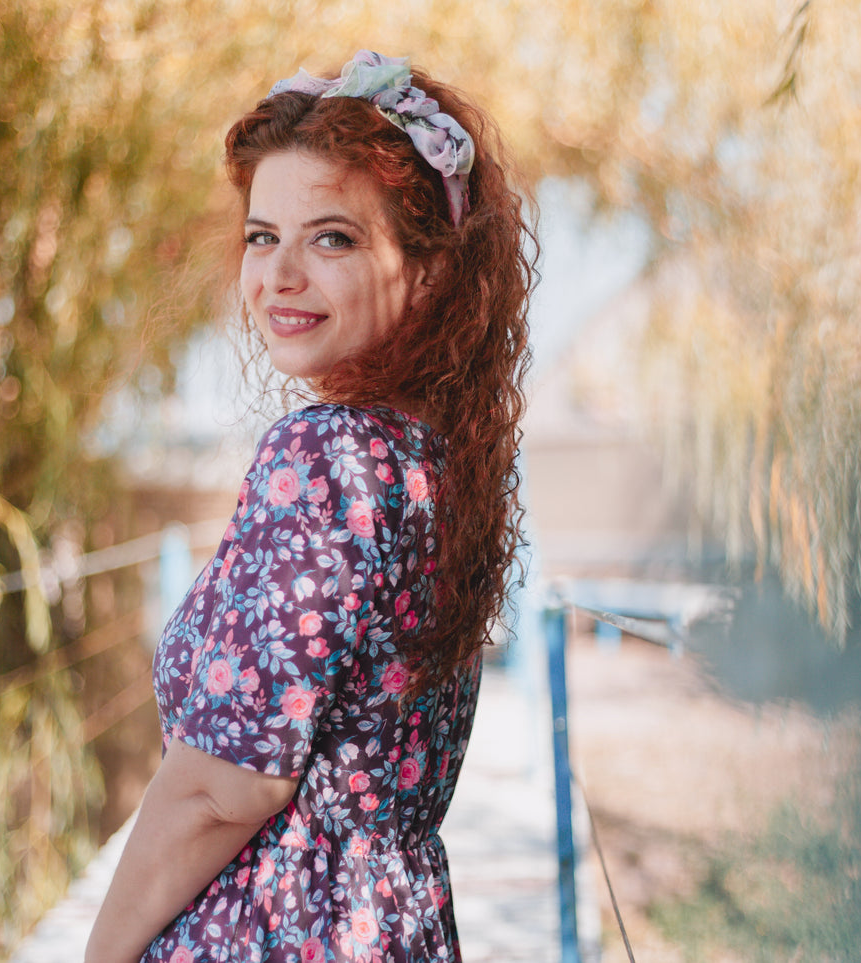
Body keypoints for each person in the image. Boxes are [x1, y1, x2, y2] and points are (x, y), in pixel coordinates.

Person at [85, 50, 535, 962]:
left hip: (280, 929)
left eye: (331, 237)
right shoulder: (437, 458)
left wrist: (99, 953)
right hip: (390, 925)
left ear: (429, 270)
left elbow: (225, 785)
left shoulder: (329, 456)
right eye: (261, 235)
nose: (280, 274)